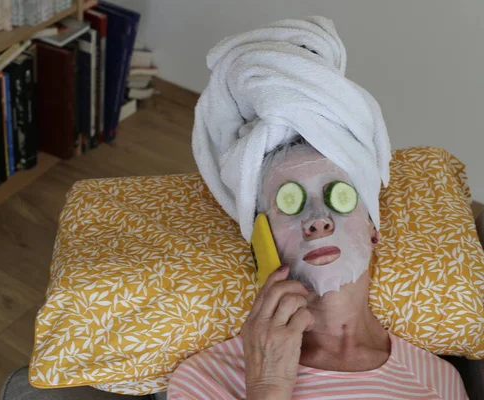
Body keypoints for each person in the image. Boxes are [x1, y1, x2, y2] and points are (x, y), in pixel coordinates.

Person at [167, 141, 468, 399]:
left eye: (338, 197)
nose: (318, 220)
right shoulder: (205, 378)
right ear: (263, 240)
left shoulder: (437, 382)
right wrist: (267, 386)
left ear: (372, 229)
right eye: (290, 203)